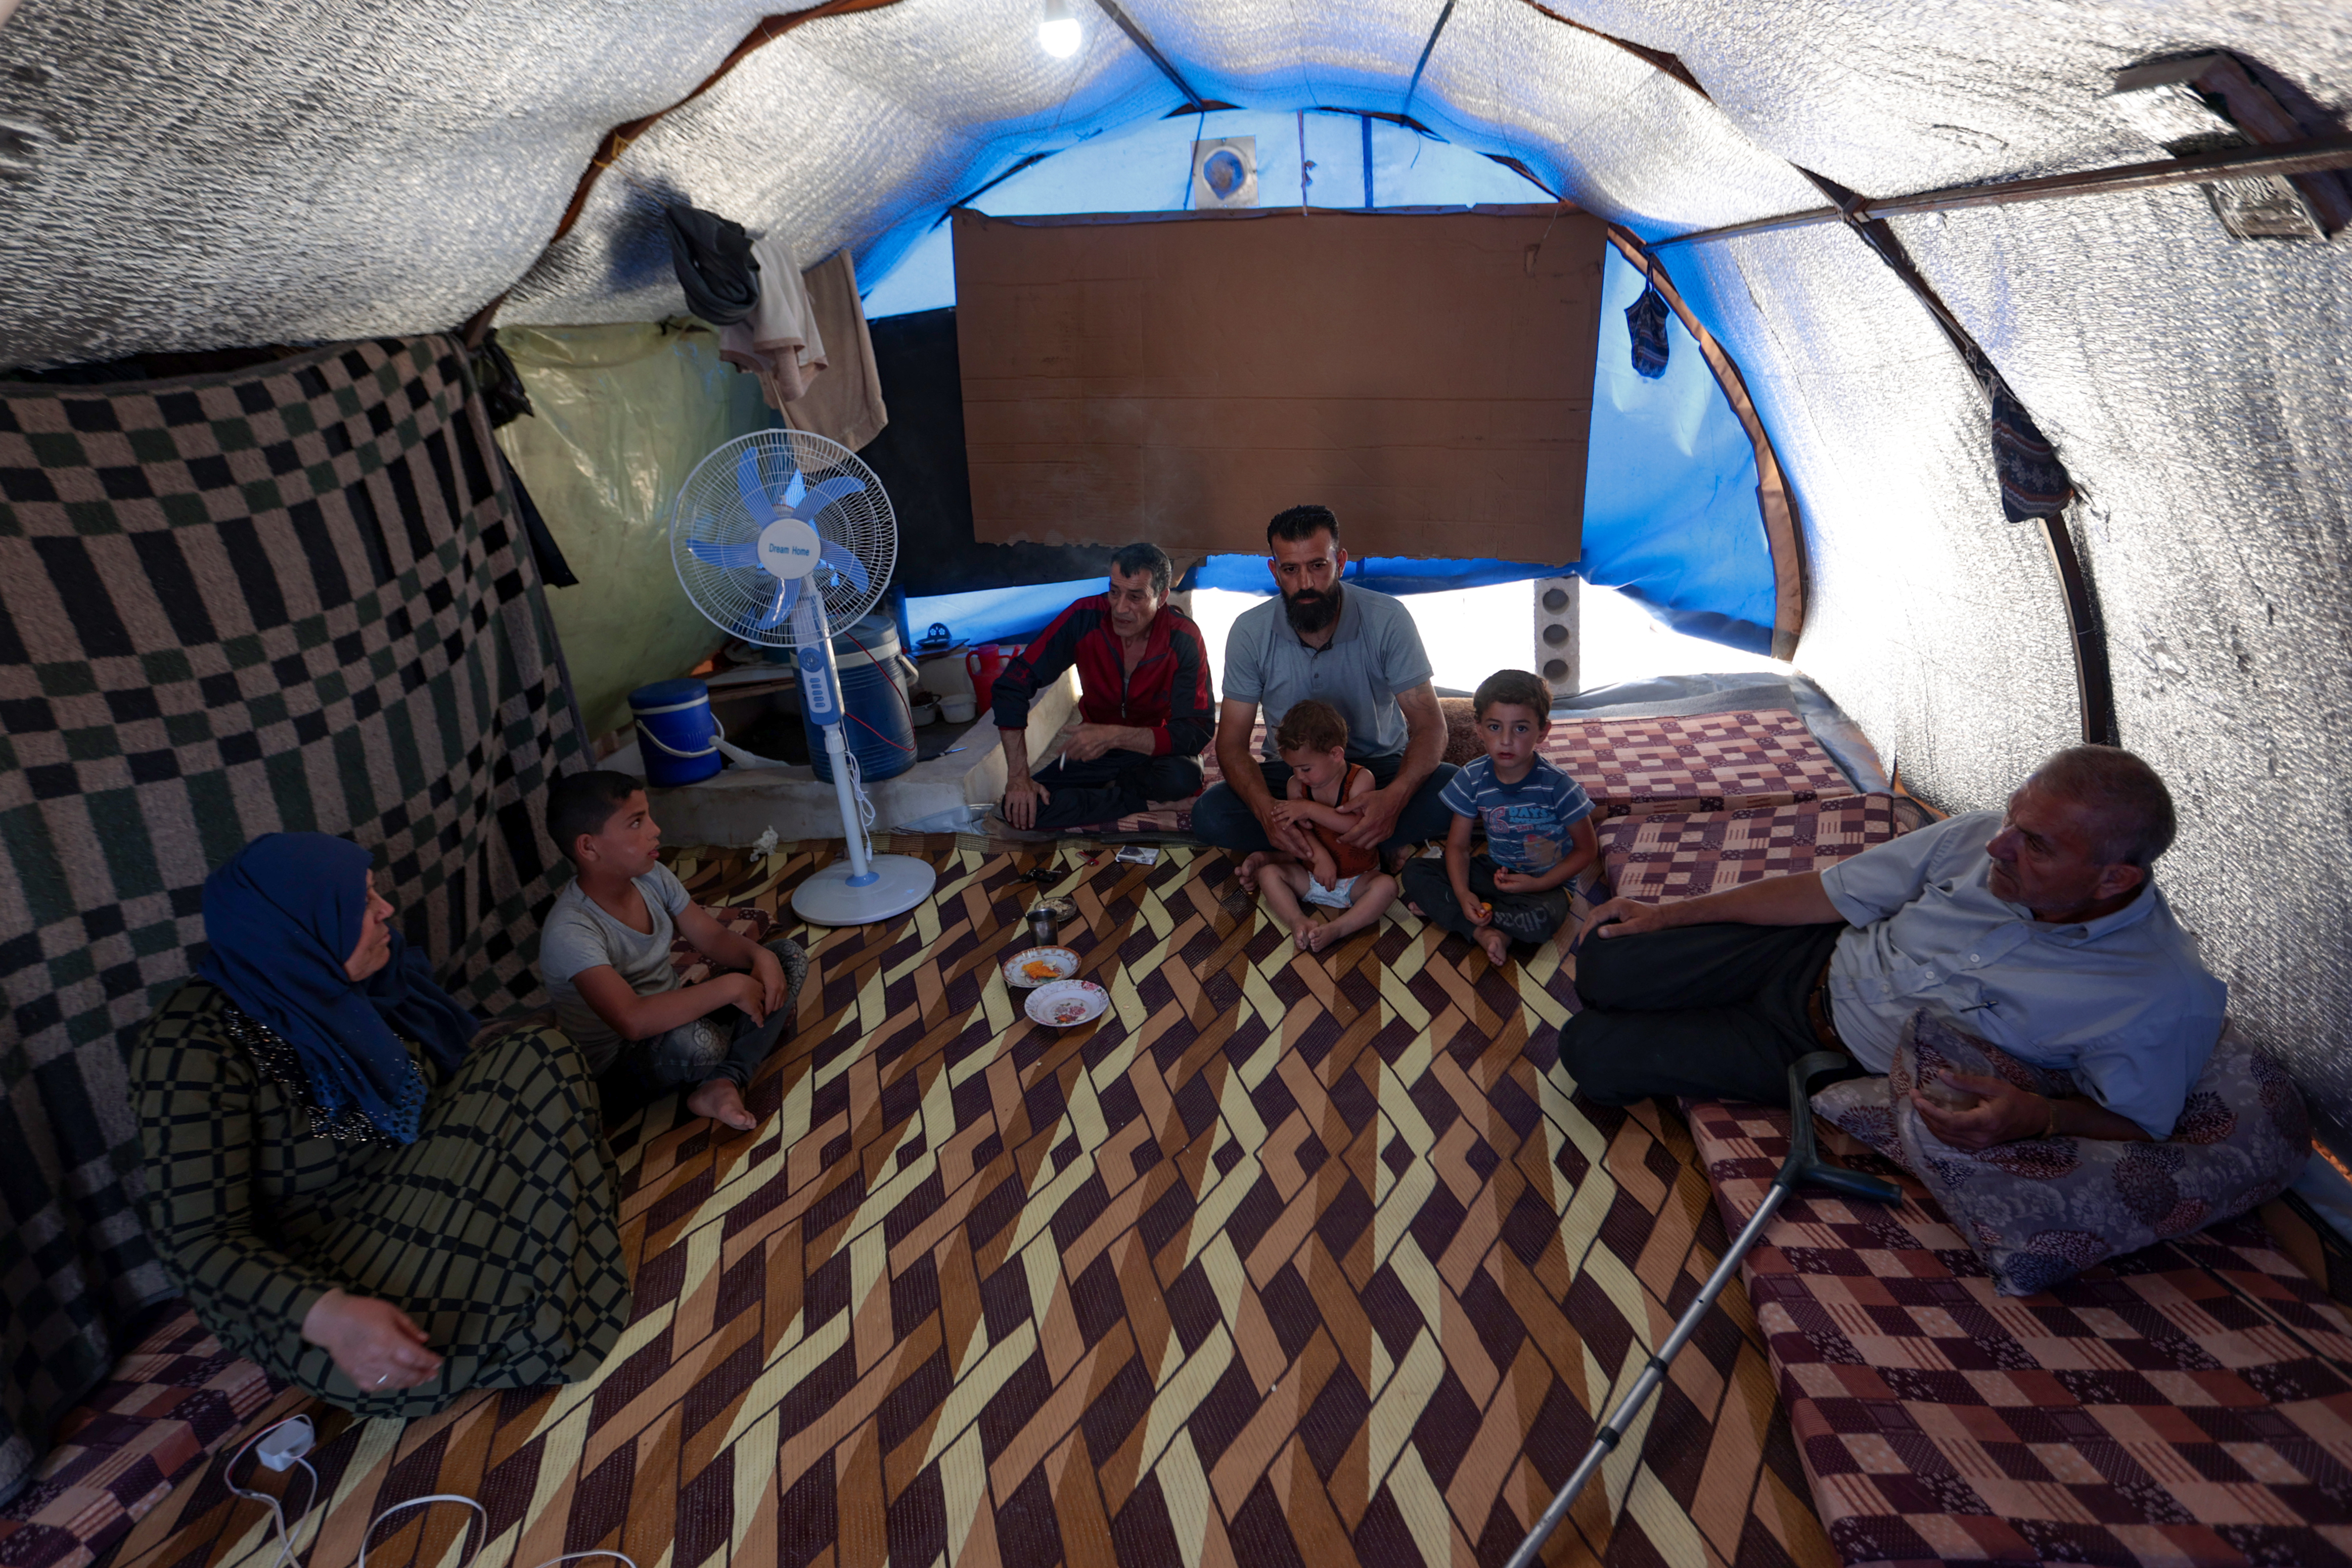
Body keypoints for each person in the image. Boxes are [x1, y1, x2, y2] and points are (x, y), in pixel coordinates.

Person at [129, 834, 630, 1414]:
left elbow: (451, 1100)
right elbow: (198, 1243)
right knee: (402, 1369)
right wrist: (329, 1315)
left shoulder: (366, 984)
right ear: (301, 928)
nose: (386, 909)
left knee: (537, 1056)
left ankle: (502, 1305)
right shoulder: (192, 1047)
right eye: (362, 901)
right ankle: (494, 1306)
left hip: (410, 1194)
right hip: (319, 1280)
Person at [1560, 745, 2226, 1146]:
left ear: (2115, 879)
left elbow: (2143, 1121)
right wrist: (1668, 915)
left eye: (2036, 845)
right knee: (1606, 958)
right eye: (2011, 816)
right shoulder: (1979, 840)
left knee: (1591, 1054)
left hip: (1826, 1053)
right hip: (1810, 954)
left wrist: (2040, 1117)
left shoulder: (2160, 994)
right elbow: (1826, 894)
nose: (1999, 846)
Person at [1192, 505, 1457, 888]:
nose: (1305, 583)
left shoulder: (1388, 618)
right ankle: (1370, 845)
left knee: (1456, 791)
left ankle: (1307, 849)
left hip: (1377, 769)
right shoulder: (1250, 632)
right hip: (1295, 773)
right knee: (1211, 815)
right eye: (1290, 570)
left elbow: (1430, 726)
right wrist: (1267, 812)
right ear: (1274, 571)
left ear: (1340, 562)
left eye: (1318, 566)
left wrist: (1393, 800)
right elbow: (1231, 744)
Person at [538, 771, 806, 1134]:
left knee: (786, 957)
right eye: (636, 822)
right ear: (588, 847)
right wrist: (729, 988)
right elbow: (632, 1021)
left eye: (648, 815)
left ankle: (722, 1081)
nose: (655, 830)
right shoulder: (571, 930)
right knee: (699, 1044)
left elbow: (713, 937)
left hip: (677, 1015)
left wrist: (761, 958)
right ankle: (727, 1058)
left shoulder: (653, 877)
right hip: (620, 1064)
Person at [991, 541, 1215, 832]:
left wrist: (1116, 736)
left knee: (1182, 779)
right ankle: (1143, 802)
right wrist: (1019, 778)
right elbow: (1012, 685)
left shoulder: (1184, 637)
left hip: (1153, 752)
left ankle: (1110, 795)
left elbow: (1195, 730)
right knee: (1021, 809)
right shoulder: (1083, 617)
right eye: (1114, 592)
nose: (1120, 608)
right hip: (1093, 752)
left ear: (1161, 597)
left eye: (1135, 597)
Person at [1400, 669, 1598, 965]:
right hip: (1495, 871)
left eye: (1521, 729)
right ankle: (1482, 927)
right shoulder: (1472, 777)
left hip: (1547, 885)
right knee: (1415, 872)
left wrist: (1538, 884)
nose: (1506, 741)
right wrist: (1463, 893)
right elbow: (1458, 846)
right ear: (1479, 728)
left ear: (1542, 731)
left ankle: (1463, 917)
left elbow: (1586, 850)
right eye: (1495, 727)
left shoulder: (1559, 787)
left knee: (1539, 920)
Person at [1251, 700, 1401, 952]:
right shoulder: (1295, 786)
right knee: (1268, 875)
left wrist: (1310, 809)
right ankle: (1297, 920)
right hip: (1312, 876)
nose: (1299, 776)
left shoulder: (1361, 779)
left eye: (1306, 769)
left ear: (1336, 755)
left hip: (1358, 879)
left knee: (1387, 887)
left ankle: (1339, 928)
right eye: (1293, 769)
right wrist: (1320, 857)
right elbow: (1301, 830)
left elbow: (1357, 826)